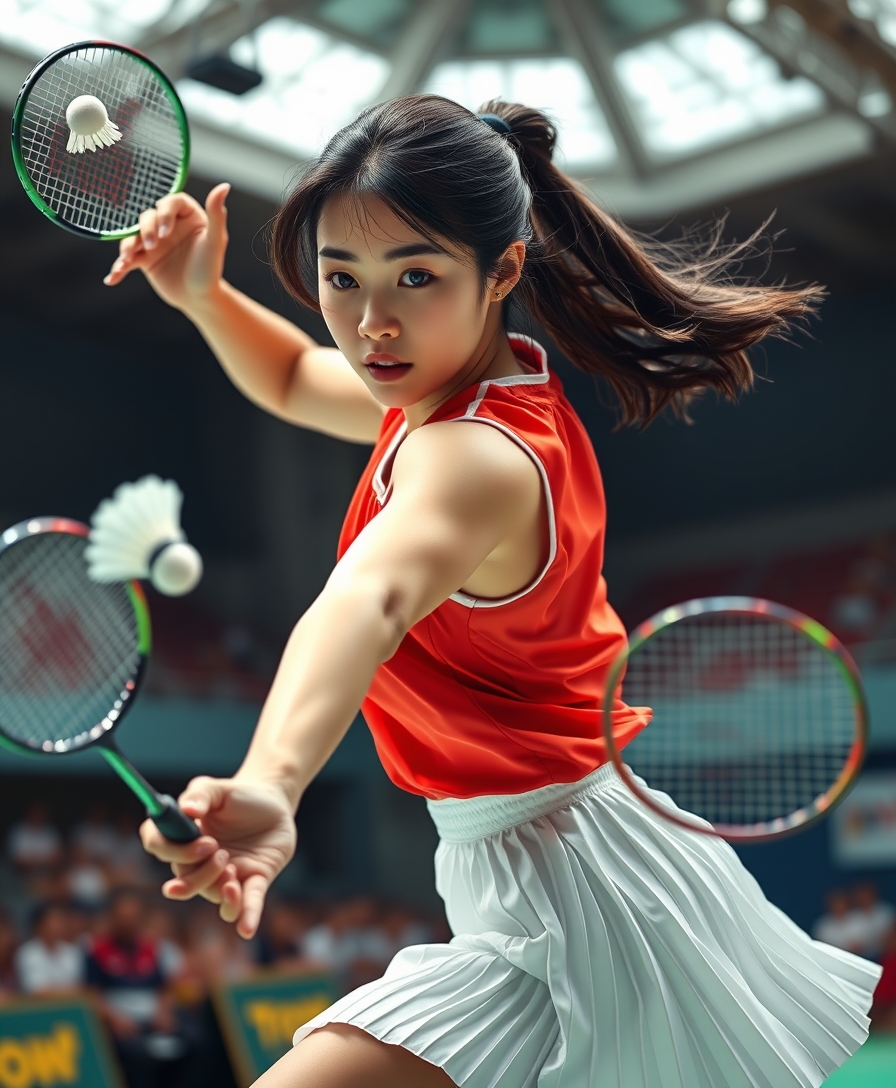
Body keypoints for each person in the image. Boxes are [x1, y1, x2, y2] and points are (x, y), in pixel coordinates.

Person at [109, 94, 882, 1087]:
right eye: (338, 277)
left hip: (577, 885)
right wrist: (201, 293)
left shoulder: (471, 457)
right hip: (551, 853)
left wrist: (270, 779)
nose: (369, 321)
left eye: (413, 277)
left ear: (501, 269)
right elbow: (301, 377)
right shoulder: (448, 389)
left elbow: (368, 600)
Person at [14, 901, 84, 996]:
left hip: (71, 1004)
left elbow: (82, 986)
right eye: (54, 921)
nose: (59, 925)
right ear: (39, 924)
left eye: (61, 920)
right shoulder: (27, 953)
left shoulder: (72, 951)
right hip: (41, 1008)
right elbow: (37, 990)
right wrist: (70, 990)